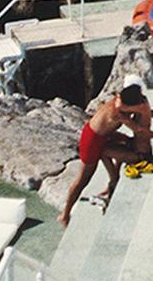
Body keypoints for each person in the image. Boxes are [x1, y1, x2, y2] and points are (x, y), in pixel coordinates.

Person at [59, 90, 144, 226]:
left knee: (122, 147)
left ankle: (113, 179)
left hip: (100, 136)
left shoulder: (119, 102)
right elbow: (139, 129)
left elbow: (109, 130)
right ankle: (65, 214)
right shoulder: (118, 113)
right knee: (83, 179)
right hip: (92, 142)